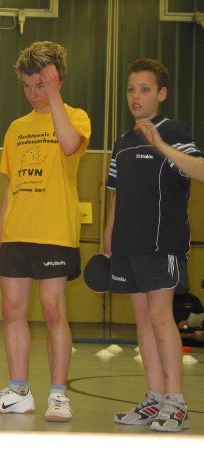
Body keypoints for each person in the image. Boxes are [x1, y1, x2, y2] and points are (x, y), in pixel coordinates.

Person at [0, 41, 91, 422]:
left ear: (57, 80)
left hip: (55, 229)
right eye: (27, 86)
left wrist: (54, 97)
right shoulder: (16, 128)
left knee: (53, 308)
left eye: (40, 84)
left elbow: (70, 146)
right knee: (11, 310)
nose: (33, 93)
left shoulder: (76, 117)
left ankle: (58, 396)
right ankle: (18, 392)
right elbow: (13, 182)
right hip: (17, 231)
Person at [104, 58, 204, 432]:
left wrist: (160, 145)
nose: (136, 96)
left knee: (161, 317)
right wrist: (110, 233)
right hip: (129, 243)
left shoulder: (173, 130)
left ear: (161, 94)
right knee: (143, 320)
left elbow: (200, 170)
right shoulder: (123, 141)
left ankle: (175, 402)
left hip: (162, 243)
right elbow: (117, 192)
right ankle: (154, 398)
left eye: (145, 89)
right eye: (131, 89)